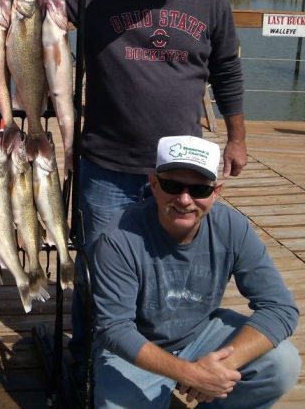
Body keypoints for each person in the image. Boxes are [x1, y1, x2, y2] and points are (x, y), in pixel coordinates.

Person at [27, 0, 246, 246]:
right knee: (98, 266)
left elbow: (227, 70)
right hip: (106, 167)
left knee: (166, 262)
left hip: (179, 168)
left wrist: (236, 139)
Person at [90, 135, 300, 407]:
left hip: (202, 334)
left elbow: (280, 308)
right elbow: (114, 329)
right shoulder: (117, 238)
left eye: (199, 190)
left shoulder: (233, 227)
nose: (185, 199)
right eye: (172, 185)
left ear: (216, 192)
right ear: (153, 184)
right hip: (138, 347)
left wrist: (219, 367)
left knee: (283, 364)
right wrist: (191, 373)